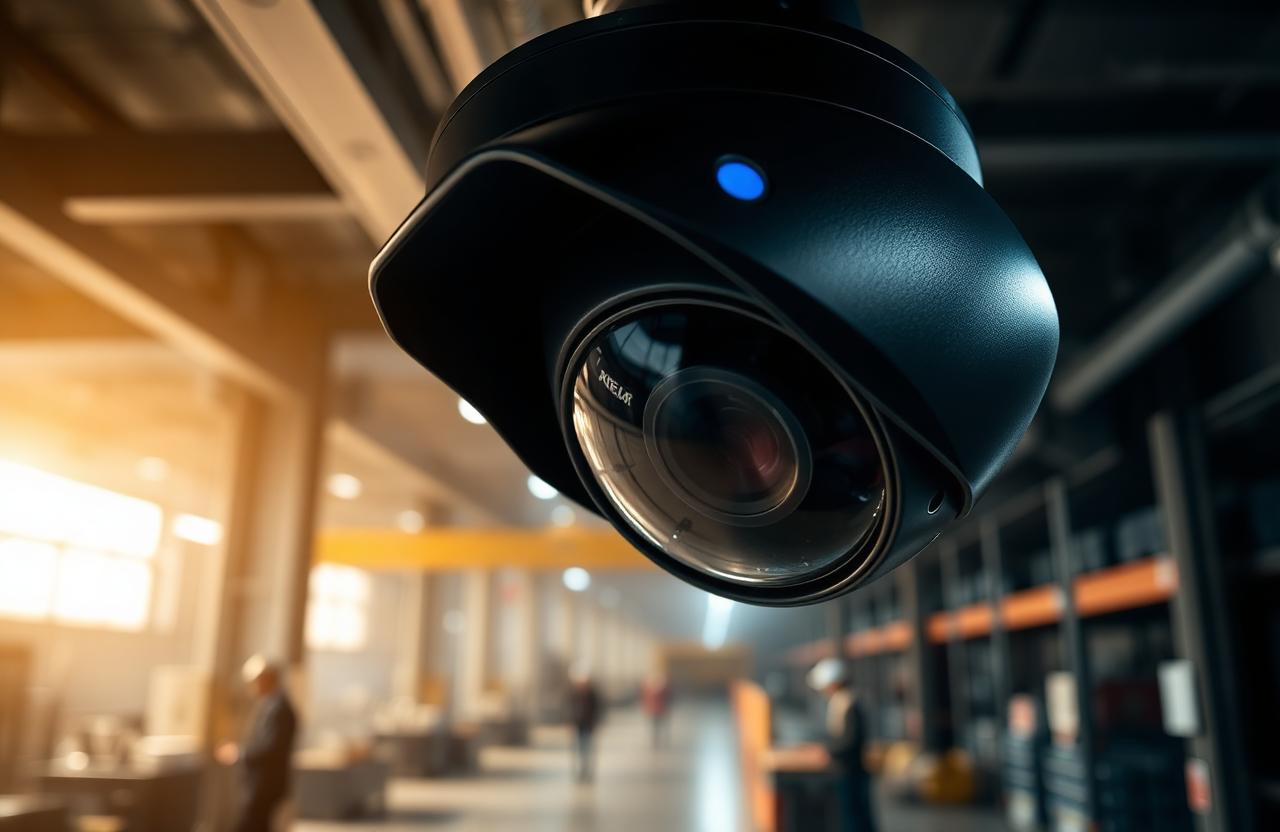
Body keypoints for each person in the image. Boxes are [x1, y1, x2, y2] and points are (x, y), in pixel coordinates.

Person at [216, 656, 298, 832]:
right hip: (261, 785)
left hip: (265, 787)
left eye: (255, 681)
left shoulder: (279, 709)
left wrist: (238, 753)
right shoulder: (271, 705)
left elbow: (270, 748)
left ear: (266, 679)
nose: (252, 687)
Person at [808, 658, 877, 832]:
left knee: (855, 818)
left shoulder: (849, 704)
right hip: (847, 769)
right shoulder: (843, 702)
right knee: (854, 815)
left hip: (852, 770)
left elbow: (850, 741)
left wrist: (829, 752)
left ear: (833, 684)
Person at [565, 667, 602, 783]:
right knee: (577, 750)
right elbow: (569, 709)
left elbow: (597, 710)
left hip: (588, 726)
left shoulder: (592, 695)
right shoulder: (573, 694)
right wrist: (569, 723)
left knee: (588, 750)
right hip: (577, 725)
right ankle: (579, 771)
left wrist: (595, 724)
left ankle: (587, 771)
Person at [641, 672, 671, 749]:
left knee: (660, 725)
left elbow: (667, 699)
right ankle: (656, 740)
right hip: (654, 710)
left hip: (660, 709)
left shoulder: (662, 689)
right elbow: (646, 699)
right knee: (655, 726)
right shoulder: (649, 689)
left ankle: (661, 739)